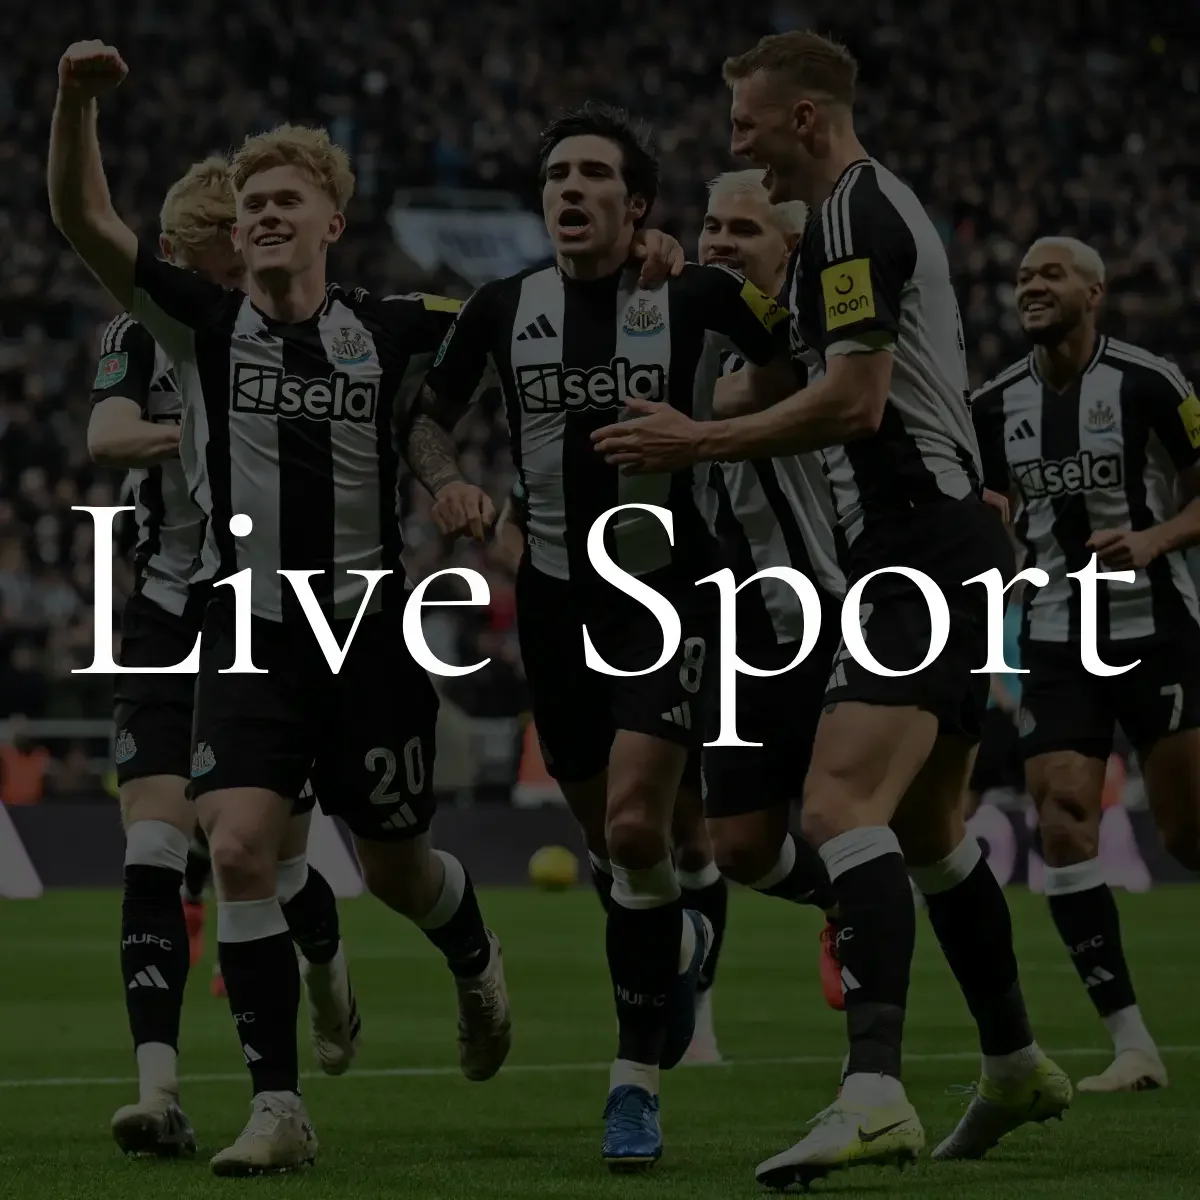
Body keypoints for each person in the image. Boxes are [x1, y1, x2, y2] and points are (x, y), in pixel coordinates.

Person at [591, 32, 1072, 1185]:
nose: (736, 142)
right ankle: (1012, 1063)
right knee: (927, 836)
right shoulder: (836, 241)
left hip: (919, 546)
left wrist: (695, 435)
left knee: (841, 804)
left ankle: (873, 1093)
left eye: (748, 125)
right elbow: (775, 358)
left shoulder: (855, 217)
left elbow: (855, 406)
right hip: (907, 552)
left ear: (805, 119)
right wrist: (675, 281)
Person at [50, 41, 512, 1175]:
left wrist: (446, 470)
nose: (260, 217)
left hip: (367, 631)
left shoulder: (396, 324)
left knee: (400, 870)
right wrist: (74, 105)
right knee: (242, 845)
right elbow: (85, 222)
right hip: (248, 629)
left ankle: (475, 961)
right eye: (250, 203)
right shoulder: (200, 327)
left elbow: (512, 317)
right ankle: (280, 1107)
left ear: (329, 223)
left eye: (283, 203)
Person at [420, 101, 794, 1170]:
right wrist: (453, 490)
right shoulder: (503, 306)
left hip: (666, 590)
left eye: (593, 177)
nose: (568, 191)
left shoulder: (697, 293)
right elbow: (427, 414)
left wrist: (717, 427)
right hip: (550, 596)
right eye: (555, 178)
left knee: (636, 831)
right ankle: (674, 932)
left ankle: (632, 1089)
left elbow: (795, 368)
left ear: (637, 208)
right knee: (616, 844)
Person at [87, 157, 360, 1158]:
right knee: (156, 847)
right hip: (167, 611)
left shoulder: (294, 337)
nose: (207, 278)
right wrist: (193, 430)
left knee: (266, 857)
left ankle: (328, 972)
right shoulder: (146, 334)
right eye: (197, 259)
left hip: (261, 615)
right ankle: (158, 1091)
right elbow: (106, 433)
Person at [972, 235, 1200, 1092]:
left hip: (1161, 627)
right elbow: (991, 507)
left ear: (1095, 290)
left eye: (1051, 275)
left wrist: (1154, 538)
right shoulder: (993, 405)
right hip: (1060, 637)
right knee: (1063, 811)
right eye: (1023, 275)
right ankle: (1133, 1044)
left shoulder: (1149, 381)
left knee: (1187, 833)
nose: (1031, 286)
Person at [695, 169, 844, 1008]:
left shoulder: (816, 327)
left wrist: (679, 408)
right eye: (711, 226)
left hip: (827, 603)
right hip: (735, 622)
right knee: (742, 846)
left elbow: (777, 381)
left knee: (849, 816)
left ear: (789, 247)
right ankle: (836, 901)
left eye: (742, 230)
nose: (719, 242)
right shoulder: (693, 326)